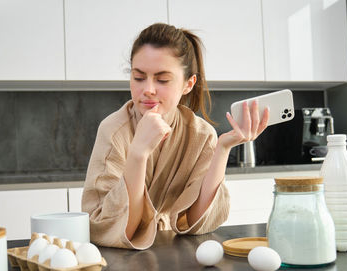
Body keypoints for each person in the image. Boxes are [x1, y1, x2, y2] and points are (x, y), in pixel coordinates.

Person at [81, 23, 269, 249]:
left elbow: (196, 221)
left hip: (174, 253)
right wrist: (138, 153)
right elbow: (113, 230)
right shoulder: (113, 130)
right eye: (139, 77)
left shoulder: (200, 135)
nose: (148, 89)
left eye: (162, 80)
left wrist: (223, 149)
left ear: (188, 84)